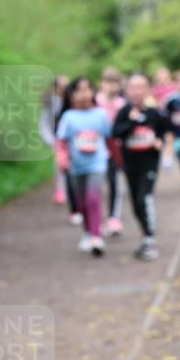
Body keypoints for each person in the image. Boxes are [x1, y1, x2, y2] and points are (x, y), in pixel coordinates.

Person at [113, 73, 168, 261]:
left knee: (145, 198)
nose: (137, 91)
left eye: (141, 87)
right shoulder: (123, 112)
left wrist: (159, 142)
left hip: (149, 164)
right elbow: (116, 133)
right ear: (127, 90)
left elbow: (163, 133)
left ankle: (150, 240)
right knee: (136, 203)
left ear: (148, 90)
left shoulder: (154, 114)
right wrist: (132, 121)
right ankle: (144, 237)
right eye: (133, 87)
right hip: (130, 165)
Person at [55, 76, 111, 257]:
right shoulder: (68, 117)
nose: (84, 94)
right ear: (71, 95)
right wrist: (62, 160)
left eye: (88, 89)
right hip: (75, 167)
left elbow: (109, 138)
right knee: (81, 203)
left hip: (97, 164)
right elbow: (61, 141)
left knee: (93, 198)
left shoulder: (101, 114)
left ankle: (96, 236)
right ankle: (88, 231)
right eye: (79, 90)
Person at [95, 67, 126, 236]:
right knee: (96, 186)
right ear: (101, 83)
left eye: (115, 82)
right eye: (108, 82)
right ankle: (97, 219)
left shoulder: (122, 104)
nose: (112, 86)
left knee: (114, 183)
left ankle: (114, 218)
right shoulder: (95, 102)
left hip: (115, 150)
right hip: (96, 150)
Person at [39, 74, 69, 204]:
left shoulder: (72, 101)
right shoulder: (50, 102)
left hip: (72, 139)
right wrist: (51, 140)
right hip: (57, 139)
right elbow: (44, 124)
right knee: (59, 165)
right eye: (62, 85)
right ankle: (60, 191)